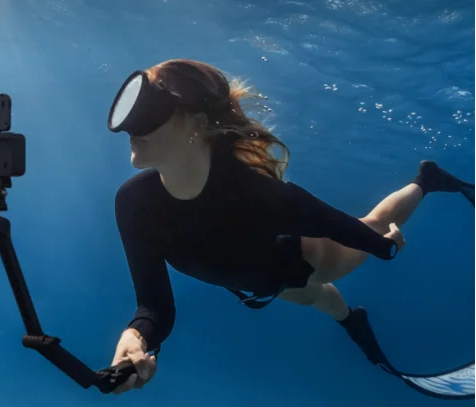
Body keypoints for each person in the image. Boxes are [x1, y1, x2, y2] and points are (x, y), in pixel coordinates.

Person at [106, 59, 476, 394]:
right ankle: (351, 319)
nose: (131, 126)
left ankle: (427, 180)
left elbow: (339, 225)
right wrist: (136, 338)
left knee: (372, 226)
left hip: (304, 259)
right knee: (316, 298)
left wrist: (386, 246)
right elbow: (154, 306)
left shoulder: (257, 193)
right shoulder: (134, 204)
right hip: (259, 282)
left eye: (151, 110)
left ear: (197, 125)